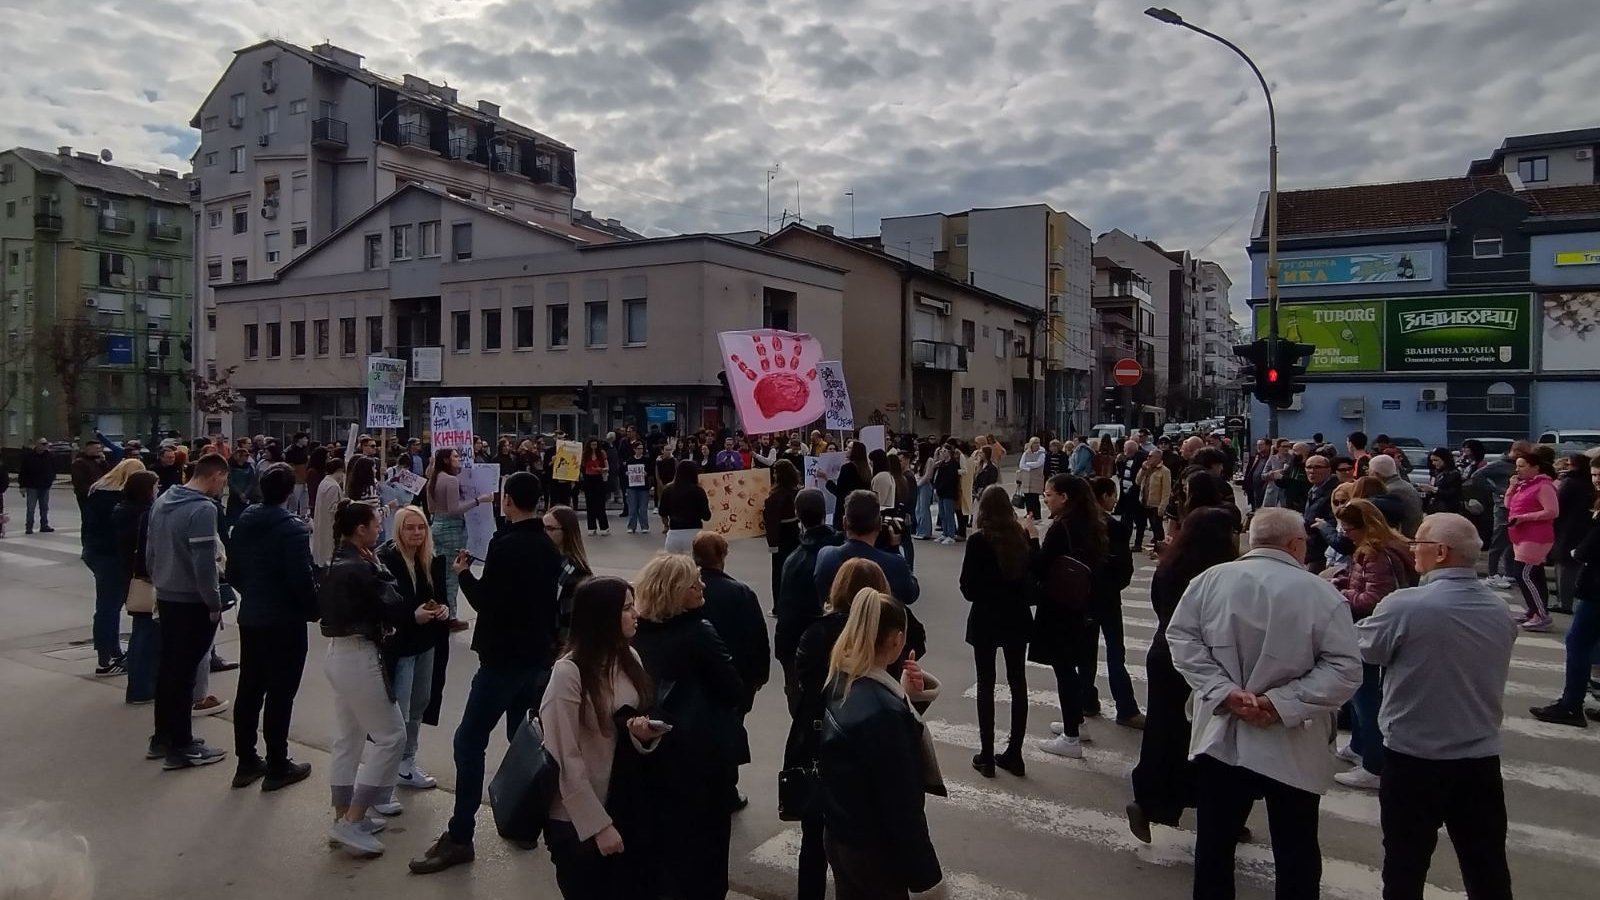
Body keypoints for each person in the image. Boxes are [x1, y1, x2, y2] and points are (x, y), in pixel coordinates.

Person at [1166, 507, 1363, 900]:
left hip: (1222, 731)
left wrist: (1225, 691)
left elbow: (1182, 642)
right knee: (1296, 847)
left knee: (1215, 845)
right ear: (1295, 544)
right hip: (1292, 736)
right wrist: (1278, 703)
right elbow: (1343, 668)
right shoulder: (1320, 592)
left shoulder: (1209, 581)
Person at [1356, 513, 1517, 899]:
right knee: (1486, 863)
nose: (1413, 550)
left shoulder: (1408, 604)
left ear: (1441, 552)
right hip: (1479, 754)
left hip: (1415, 756)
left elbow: (1367, 650)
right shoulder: (1498, 609)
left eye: (1419, 543)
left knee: (1405, 864)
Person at [412, 471, 565, 873]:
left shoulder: (507, 545)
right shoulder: (549, 548)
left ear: (508, 502)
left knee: (468, 742)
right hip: (535, 658)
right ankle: (528, 821)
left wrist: (463, 574)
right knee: (524, 741)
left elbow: (488, 602)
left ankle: (461, 834)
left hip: (502, 661)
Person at [540, 577, 668, 897]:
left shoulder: (629, 658)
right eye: (626, 608)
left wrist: (642, 734)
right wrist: (598, 825)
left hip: (627, 801)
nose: (635, 613)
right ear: (602, 616)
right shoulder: (568, 674)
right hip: (579, 818)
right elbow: (563, 757)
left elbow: (627, 724)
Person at [630, 553, 746, 900]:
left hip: (653, 748)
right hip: (701, 754)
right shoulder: (699, 632)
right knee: (707, 849)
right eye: (693, 583)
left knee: (666, 846)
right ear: (675, 592)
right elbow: (733, 689)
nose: (702, 586)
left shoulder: (636, 633)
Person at [816, 588, 945, 899]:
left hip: (841, 834)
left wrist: (907, 697)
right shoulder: (883, 713)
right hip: (875, 850)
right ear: (896, 640)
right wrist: (929, 880)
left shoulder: (841, 678)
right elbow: (902, 806)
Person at [1126, 507, 1239, 844]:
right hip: (1208, 660)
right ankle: (1201, 801)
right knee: (1205, 736)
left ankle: (1149, 799)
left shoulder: (1170, 565)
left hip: (1164, 654)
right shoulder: (1223, 574)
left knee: (1161, 730)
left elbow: (1160, 606)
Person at [317, 500, 417, 857]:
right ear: (360, 528)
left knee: (350, 736)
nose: (380, 529)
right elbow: (395, 605)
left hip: (339, 653)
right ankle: (352, 818)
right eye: (376, 523)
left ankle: (345, 814)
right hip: (359, 656)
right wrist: (382, 571)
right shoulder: (361, 565)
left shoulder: (337, 561)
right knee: (392, 736)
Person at [224, 462, 318, 791]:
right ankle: (277, 763)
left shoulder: (245, 521)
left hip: (253, 615)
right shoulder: (291, 528)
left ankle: (246, 760)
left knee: (249, 690)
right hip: (283, 621)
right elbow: (301, 581)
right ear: (290, 490)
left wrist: (253, 593)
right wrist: (313, 609)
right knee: (280, 694)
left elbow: (232, 572)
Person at [145, 454, 232, 770]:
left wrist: (160, 579)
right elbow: (204, 563)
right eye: (224, 479)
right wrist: (213, 602)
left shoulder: (165, 498)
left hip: (167, 594)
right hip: (192, 600)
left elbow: (150, 550)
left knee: (169, 669)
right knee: (184, 675)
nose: (223, 486)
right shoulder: (203, 509)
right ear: (216, 475)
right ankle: (182, 746)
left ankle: (163, 736)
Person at [1327, 498, 1415, 791]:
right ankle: (1360, 745)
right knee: (1360, 692)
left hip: (1370, 628)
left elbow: (1373, 598)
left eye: (1349, 529)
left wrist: (1341, 592)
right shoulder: (1387, 546)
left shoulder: (1376, 553)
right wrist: (1345, 581)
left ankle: (1374, 763)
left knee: (1365, 695)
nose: (1345, 534)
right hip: (1377, 627)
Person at [375, 505, 452, 803]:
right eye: (410, 527)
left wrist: (442, 609)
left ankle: (407, 763)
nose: (417, 533)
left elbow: (437, 597)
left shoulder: (429, 559)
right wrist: (411, 615)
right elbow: (385, 607)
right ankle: (385, 775)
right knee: (398, 711)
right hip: (401, 646)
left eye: (421, 527)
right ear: (398, 529)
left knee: (419, 703)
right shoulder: (387, 560)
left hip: (426, 643)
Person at [962, 484, 1036, 778]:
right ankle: (1015, 753)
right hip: (1016, 618)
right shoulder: (1020, 537)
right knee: (1018, 683)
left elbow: (967, 588)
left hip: (986, 618)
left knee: (986, 683)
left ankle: (987, 754)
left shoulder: (979, 541)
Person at [693, 530, 771, 809]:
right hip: (734, 677)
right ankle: (726, 788)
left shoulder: (688, 590)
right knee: (731, 732)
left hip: (697, 679)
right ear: (723, 555)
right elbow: (757, 638)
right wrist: (759, 675)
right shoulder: (739, 593)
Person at [1031, 474, 1103, 758]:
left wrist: (1033, 538)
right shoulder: (1090, 524)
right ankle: (1077, 723)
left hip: (1061, 607)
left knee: (1064, 670)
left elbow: (1040, 567)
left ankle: (1071, 736)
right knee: (1072, 667)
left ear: (1064, 497)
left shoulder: (1062, 528)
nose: (1045, 498)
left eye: (1049, 494)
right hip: (1082, 605)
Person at [1531, 457, 1600, 727]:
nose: (1596, 481)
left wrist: (1577, 552)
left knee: (1578, 643)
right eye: (1594, 475)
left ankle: (1571, 705)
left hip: (1596, 588)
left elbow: (1591, 546)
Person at [775, 489, 843, 705]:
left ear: (797, 514)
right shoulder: (843, 549)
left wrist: (784, 653)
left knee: (806, 715)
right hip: (844, 645)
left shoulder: (794, 560)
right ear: (824, 513)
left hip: (805, 648)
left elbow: (787, 613)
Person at [81, 458, 145, 676]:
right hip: (110, 555)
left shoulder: (97, 491)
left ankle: (110, 651)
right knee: (109, 605)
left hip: (94, 551)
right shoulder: (118, 499)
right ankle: (107, 657)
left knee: (108, 605)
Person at [1088, 477, 1143, 728]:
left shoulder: (1079, 524)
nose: (1115, 500)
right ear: (1104, 497)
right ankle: (1126, 708)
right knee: (1114, 653)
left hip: (1086, 597)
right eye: (1112, 495)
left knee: (1087, 652)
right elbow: (1123, 569)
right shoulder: (1113, 527)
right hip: (1107, 597)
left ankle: (1087, 700)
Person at [814, 490, 920, 606]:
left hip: (836, 622)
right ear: (879, 524)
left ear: (844, 522)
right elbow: (911, 593)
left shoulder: (826, 556)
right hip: (876, 622)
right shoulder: (894, 564)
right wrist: (893, 549)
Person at [426, 448, 494, 624]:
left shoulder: (433, 479)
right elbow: (454, 508)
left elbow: (431, 508)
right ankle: (451, 616)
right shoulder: (450, 481)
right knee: (453, 572)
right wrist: (479, 500)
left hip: (437, 524)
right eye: (455, 456)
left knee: (442, 570)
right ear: (447, 460)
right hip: (452, 526)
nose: (459, 459)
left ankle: (443, 609)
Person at [116, 471, 162, 704]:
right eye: (155, 487)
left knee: (140, 634)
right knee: (147, 634)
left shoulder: (123, 509)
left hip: (129, 575)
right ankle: (142, 688)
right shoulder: (143, 514)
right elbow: (145, 549)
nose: (158, 490)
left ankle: (139, 685)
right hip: (142, 579)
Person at [1506, 447, 1560, 631]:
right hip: (1520, 534)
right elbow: (1509, 504)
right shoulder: (1524, 485)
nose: (1518, 470)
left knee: (1523, 574)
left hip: (1536, 536)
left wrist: (1525, 517)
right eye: (1516, 466)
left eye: (1522, 466)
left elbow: (1552, 511)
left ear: (1535, 467)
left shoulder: (1544, 486)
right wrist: (1512, 487)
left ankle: (1542, 615)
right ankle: (1534, 610)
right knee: (1534, 575)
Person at [1552, 452, 1596, 615]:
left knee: (1564, 566)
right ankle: (1566, 600)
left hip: (1568, 528)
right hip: (1583, 527)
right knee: (1571, 566)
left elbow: (1559, 506)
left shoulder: (1569, 482)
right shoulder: (1587, 483)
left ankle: (1564, 602)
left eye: (1568, 464)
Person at [544, 505, 594, 646]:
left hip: (560, 648)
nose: (545, 533)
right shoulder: (547, 562)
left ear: (566, 532)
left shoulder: (576, 571)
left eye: (550, 529)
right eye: (543, 528)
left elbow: (572, 620)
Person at [763, 459, 803, 610]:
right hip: (796, 532)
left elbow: (771, 522)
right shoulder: (798, 491)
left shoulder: (775, 497)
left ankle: (778, 606)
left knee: (779, 571)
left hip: (782, 535)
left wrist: (772, 544)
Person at [659, 459, 711, 554]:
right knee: (692, 566)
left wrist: (666, 526)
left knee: (673, 566)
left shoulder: (668, 490)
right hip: (694, 533)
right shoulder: (698, 491)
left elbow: (662, 513)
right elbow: (706, 516)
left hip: (674, 534)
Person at [1369, 453, 1423, 537]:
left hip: (1405, 538)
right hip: (1414, 535)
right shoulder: (1406, 485)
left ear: (1376, 474)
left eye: (1369, 472)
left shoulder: (1390, 491)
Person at [1302, 455, 1337, 574]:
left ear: (1328, 469)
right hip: (1311, 549)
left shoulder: (1334, 491)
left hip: (1323, 551)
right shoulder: (1313, 489)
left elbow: (1332, 522)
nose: (1312, 471)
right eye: (1309, 467)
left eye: (1317, 467)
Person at [826, 442, 872, 532]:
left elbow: (839, 492)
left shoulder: (847, 468)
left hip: (845, 511)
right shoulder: (866, 470)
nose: (846, 450)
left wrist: (827, 480)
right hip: (859, 510)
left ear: (855, 451)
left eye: (849, 448)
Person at [311, 456, 345, 567]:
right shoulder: (333, 486)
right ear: (340, 471)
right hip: (330, 525)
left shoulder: (325, 482)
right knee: (329, 551)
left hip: (322, 521)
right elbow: (333, 508)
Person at [1136, 450, 1172, 551]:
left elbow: (1166, 490)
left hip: (1155, 504)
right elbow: (1137, 481)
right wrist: (1143, 470)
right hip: (1144, 501)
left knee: (1157, 528)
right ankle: (1140, 544)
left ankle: (1159, 548)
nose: (1148, 458)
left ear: (1157, 457)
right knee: (1144, 525)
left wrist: (1162, 506)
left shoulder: (1164, 471)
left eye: (1150, 456)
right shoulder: (1147, 469)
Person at [19, 438, 57, 533]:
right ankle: (29, 526)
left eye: (46, 444)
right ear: (37, 445)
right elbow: (23, 471)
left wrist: (51, 479)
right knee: (31, 508)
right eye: (42, 444)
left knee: (44, 507)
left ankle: (44, 525)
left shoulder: (49, 456)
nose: (45, 446)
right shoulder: (29, 457)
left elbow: (53, 468)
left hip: (45, 486)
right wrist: (22, 486)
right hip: (32, 486)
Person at [931, 445, 962, 544]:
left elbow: (950, 479)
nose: (942, 453)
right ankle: (944, 533)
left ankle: (951, 534)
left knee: (949, 514)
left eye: (944, 451)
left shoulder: (953, 464)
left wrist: (940, 487)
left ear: (949, 452)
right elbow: (938, 477)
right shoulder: (942, 464)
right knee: (942, 514)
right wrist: (936, 488)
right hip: (941, 492)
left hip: (949, 492)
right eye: (941, 451)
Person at [1420, 448, 1464, 517]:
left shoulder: (1454, 474)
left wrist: (1433, 489)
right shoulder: (1436, 473)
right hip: (1434, 510)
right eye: (1432, 460)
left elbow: (1452, 494)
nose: (1433, 463)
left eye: (1436, 460)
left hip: (1448, 511)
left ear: (1445, 459)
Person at [581, 439, 611, 536]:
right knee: (590, 505)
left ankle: (604, 527)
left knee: (600, 505)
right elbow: (580, 466)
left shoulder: (601, 453)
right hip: (588, 479)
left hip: (598, 479)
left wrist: (601, 469)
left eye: (595, 444)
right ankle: (591, 527)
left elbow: (607, 467)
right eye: (592, 444)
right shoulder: (585, 454)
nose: (594, 446)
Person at [623, 442, 652, 535]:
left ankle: (644, 526)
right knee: (632, 508)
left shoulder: (646, 460)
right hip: (632, 487)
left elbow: (651, 471)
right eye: (638, 448)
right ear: (634, 449)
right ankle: (631, 526)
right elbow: (624, 472)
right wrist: (627, 474)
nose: (640, 450)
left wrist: (646, 474)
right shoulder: (630, 460)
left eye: (642, 448)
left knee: (643, 508)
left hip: (643, 487)